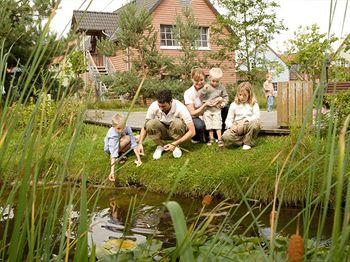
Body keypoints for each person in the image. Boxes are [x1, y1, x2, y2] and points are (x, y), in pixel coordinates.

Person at [136, 89, 195, 160]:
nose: (161, 108)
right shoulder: (154, 106)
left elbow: (192, 131)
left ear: (170, 102)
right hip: (162, 131)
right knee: (149, 123)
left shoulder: (180, 107)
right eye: (159, 106)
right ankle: (160, 146)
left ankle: (176, 146)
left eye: (163, 106)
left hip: (176, 132)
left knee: (178, 122)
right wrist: (140, 143)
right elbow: (145, 126)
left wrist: (176, 143)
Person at [222, 82, 261, 150]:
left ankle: (248, 143)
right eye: (240, 95)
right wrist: (231, 126)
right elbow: (228, 120)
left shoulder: (254, 104)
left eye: (245, 95)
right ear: (237, 94)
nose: (242, 97)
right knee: (225, 136)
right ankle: (243, 140)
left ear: (249, 94)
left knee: (256, 124)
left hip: (247, 124)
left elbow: (257, 116)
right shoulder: (234, 105)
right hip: (237, 127)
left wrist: (245, 121)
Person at [104, 114, 142, 182]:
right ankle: (121, 154)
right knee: (128, 138)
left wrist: (139, 159)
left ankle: (122, 153)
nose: (121, 130)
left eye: (123, 127)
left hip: (120, 141)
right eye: (118, 128)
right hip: (110, 149)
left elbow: (133, 143)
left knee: (138, 137)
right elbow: (113, 153)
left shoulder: (127, 127)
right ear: (113, 126)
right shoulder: (113, 134)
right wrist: (112, 172)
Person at [198, 67, 228, 147]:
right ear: (209, 78)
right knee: (209, 124)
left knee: (218, 123)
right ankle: (211, 138)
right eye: (213, 81)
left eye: (217, 81)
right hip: (207, 109)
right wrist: (204, 90)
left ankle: (219, 139)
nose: (215, 83)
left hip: (216, 109)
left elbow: (225, 97)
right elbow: (200, 96)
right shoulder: (206, 86)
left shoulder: (221, 87)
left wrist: (223, 103)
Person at [183, 68, 210, 143]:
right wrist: (204, 106)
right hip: (195, 116)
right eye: (196, 80)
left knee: (225, 108)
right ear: (192, 79)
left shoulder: (208, 88)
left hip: (208, 112)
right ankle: (196, 137)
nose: (199, 82)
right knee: (199, 125)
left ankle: (217, 135)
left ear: (204, 79)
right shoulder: (188, 93)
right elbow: (192, 113)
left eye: (201, 80)